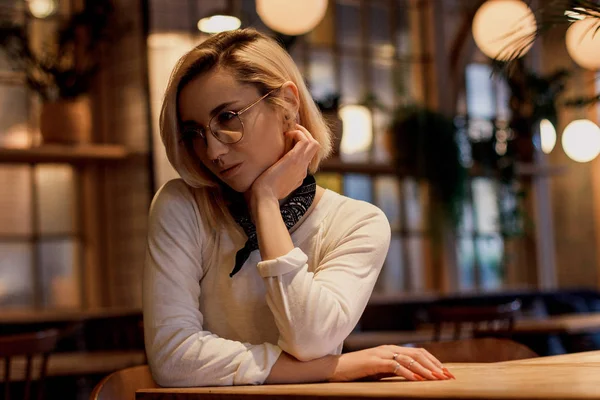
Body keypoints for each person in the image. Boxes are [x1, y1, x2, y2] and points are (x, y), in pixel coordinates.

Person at [143, 28, 455, 387]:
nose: (212, 151)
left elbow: (309, 341)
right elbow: (173, 358)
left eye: (227, 118)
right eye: (195, 133)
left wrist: (264, 202)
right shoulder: (182, 206)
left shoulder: (358, 223)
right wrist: (334, 368)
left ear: (287, 104)